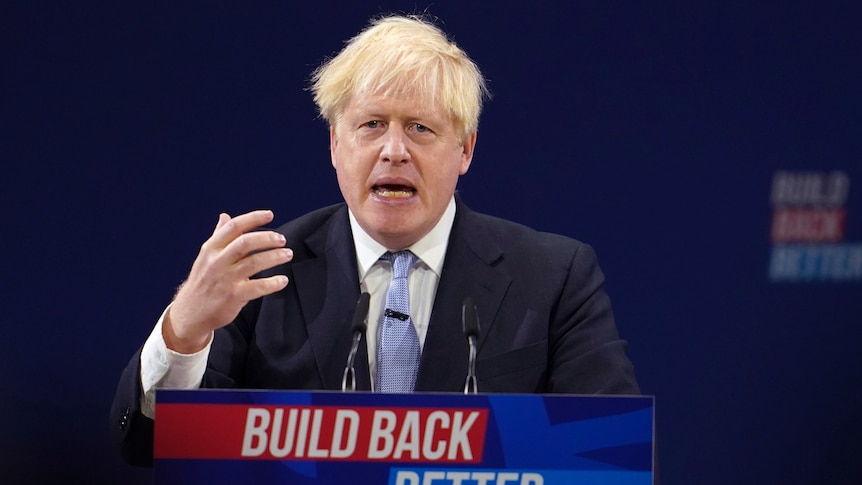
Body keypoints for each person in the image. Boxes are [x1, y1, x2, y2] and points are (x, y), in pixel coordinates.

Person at [110, 14, 640, 466]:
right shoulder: (262, 275)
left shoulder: (553, 276)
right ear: (336, 144)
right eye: (371, 125)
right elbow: (148, 446)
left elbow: (606, 452)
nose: (394, 150)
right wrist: (185, 330)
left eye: (420, 128)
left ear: (466, 150)